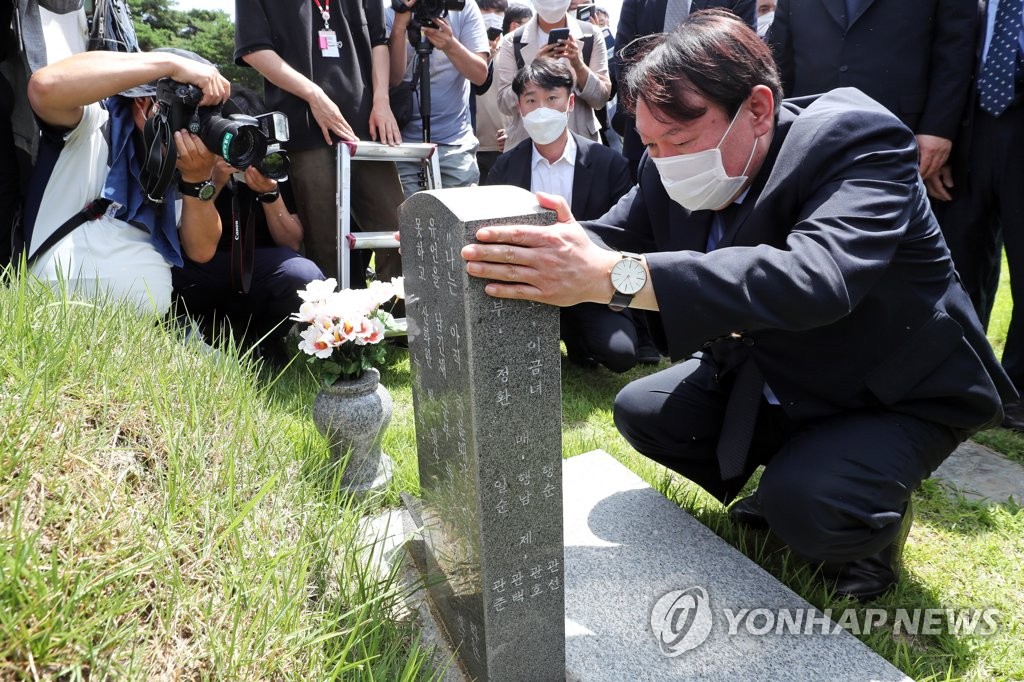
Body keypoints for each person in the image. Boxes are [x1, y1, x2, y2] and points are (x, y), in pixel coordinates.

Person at [461, 10, 1015, 600]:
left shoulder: (858, 142)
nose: (665, 158)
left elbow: (817, 276)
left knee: (812, 504)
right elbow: (612, 234)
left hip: (889, 384)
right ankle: (802, 468)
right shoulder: (667, 163)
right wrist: (526, 244)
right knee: (647, 412)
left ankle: (865, 528)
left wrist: (615, 278)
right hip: (783, 362)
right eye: (650, 142)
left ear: (756, 108)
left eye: (679, 139)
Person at [24, 47, 226, 315]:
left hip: (130, 335)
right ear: (143, 103)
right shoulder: (94, 124)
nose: (195, 127)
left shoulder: (184, 165)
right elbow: (44, 86)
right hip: (53, 310)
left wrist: (197, 180)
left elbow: (202, 250)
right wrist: (170, 65)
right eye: (188, 111)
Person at [235, 0, 405, 287]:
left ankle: (400, 327)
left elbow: (378, 40)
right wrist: (313, 95)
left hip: (366, 127)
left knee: (398, 231)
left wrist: (382, 100)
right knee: (325, 245)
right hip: (304, 130)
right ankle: (335, 329)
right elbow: (254, 49)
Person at [486, 59, 636, 371]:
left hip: (590, 282)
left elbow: (626, 233)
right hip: (526, 284)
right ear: (520, 109)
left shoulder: (609, 163)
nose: (541, 109)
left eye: (551, 98)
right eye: (531, 100)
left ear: (569, 102)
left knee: (619, 354)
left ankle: (576, 335)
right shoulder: (506, 167)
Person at [171, 86, 325, 359]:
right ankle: (183, 328)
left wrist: (270, 193)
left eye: (249, 138)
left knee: (304, 275)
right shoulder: (194, 159)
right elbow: (179, 233)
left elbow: (291, 242)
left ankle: (265, 337)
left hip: (256, 272)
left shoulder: (271, 163)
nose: (240, 147)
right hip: (200, 270)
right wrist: (214, 178)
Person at [929, 0, 1024, 430]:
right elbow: (952, 57)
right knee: (960, 259)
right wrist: (944, 138)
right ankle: (962, 380)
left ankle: (1018, 393)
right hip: (973, 131)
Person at [766, 0, 977, 193]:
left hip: (900, 136)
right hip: (810, 137)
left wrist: (937, 128)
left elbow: (955, 50)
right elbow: (779, 56)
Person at [613, 0, 756, 181]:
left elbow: (741, 59)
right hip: (644, 144)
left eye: (679, 141)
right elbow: (623, 60)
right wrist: (653, 123)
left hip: (714, 151)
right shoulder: (638, 3)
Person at [387, 0, 490, 195]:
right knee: (413, 221)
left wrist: (451, 45)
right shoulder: (393, 9)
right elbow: (393, 78)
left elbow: (480, 76)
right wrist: (400, 27)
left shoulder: (463, 7)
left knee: (459, 221)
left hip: (455, 142)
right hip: (403, 143)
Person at [493, 0, 611, 151]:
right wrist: (533, 69)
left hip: (580, 145)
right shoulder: (513, 41)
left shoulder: (591, 35)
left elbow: (600, 98)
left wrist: (578, 65)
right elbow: (504, 103)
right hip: (527, 145)